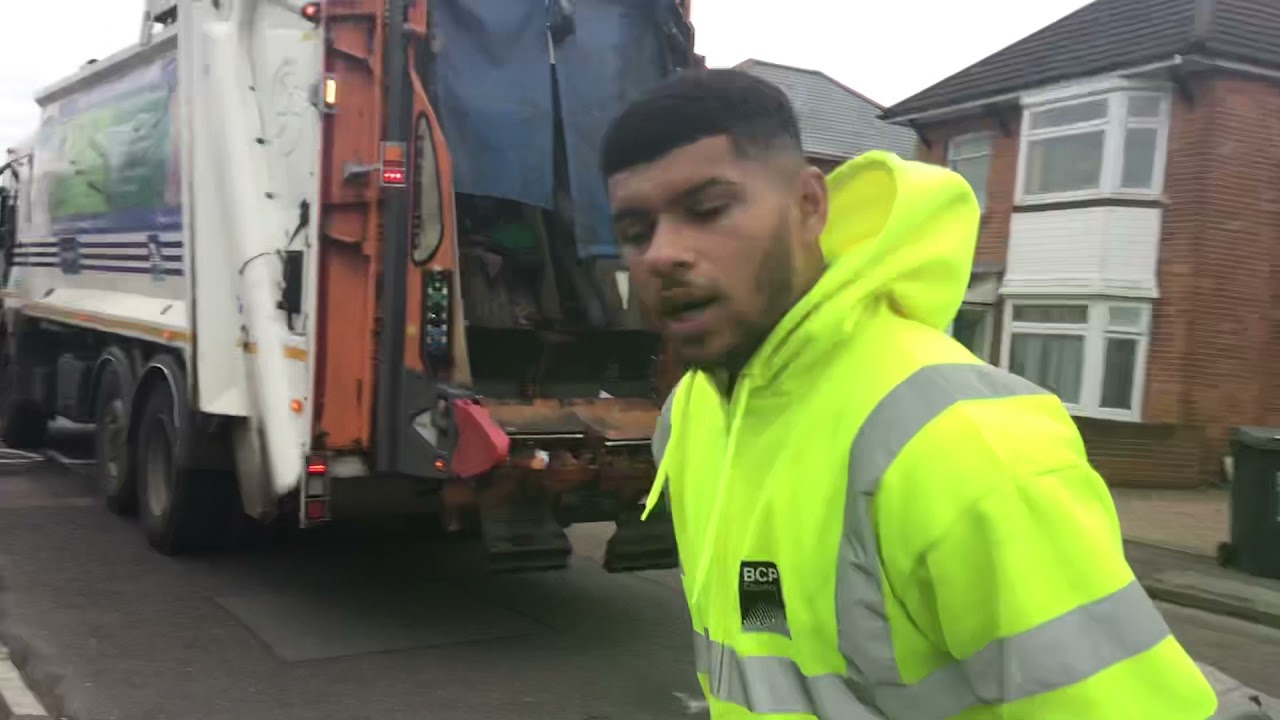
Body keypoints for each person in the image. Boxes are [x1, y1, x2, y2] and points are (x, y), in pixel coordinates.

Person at [600, 69, 1220, 719]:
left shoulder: (962, 443)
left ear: (810, 205)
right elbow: (771, 635)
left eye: (707, 209)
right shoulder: (696, 415)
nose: (664, 254)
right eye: (638, 231)